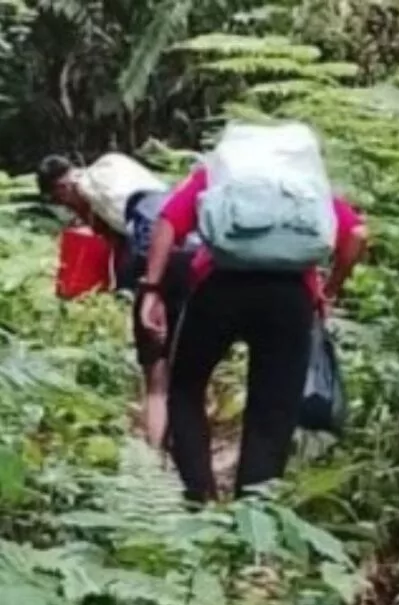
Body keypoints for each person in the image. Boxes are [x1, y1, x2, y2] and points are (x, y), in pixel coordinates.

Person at [136, 147, 370, 502]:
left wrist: (152, 288)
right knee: (272, 409)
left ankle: (199, 498)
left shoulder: (218, 176)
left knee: (186, 388)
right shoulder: (306, 186)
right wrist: (329, 289)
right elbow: (356, 235)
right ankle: (253, 517)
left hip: (218, 286)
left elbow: (168, 221)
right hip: (289, 295)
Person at [38, 153, 186, 448]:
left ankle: (156, 462)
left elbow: (127, 255)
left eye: (61, 200)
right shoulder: (118, 171)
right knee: (185, 369)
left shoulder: (91, 190)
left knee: (156, 377)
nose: (67, 209)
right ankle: (190, 453)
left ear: (62, 187)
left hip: (153, 269)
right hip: (188, 261)